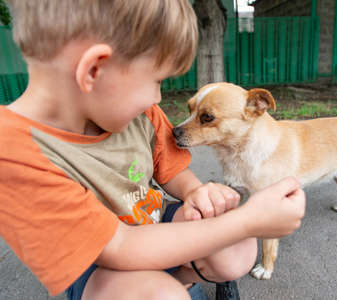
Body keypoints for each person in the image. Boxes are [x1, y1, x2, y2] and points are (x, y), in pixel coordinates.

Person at [0, 1, 306, 299]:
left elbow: (171, 170)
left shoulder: (142, 115)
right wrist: (247, 221)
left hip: (152, 220)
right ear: (95, 70)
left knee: (236, 250)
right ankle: (166, 287)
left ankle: (178, 281)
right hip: (101, 265)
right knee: (157, 294)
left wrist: (196, 191)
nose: (157, 97)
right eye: (157, 81)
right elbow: (119, 246)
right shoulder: (15, 153)